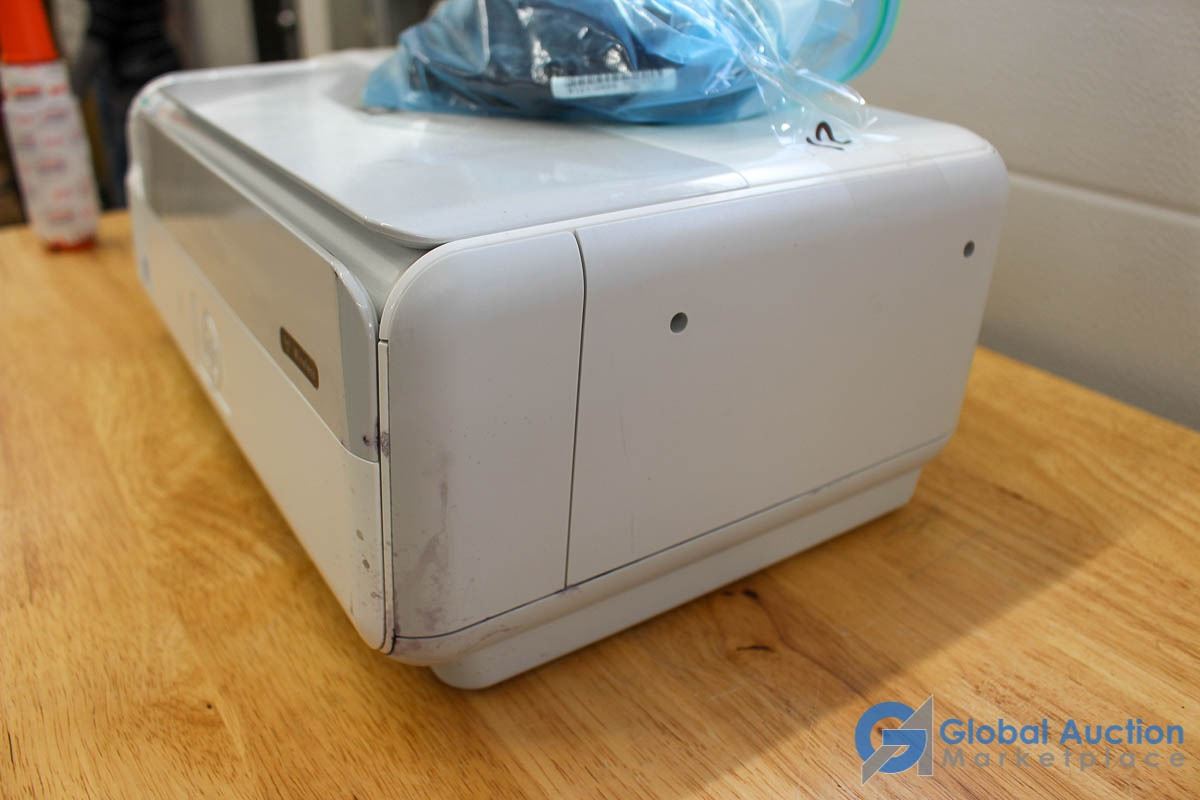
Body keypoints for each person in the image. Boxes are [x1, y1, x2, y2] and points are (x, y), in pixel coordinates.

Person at [69, 0, 180, 207]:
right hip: (158, 70)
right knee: (154, 167)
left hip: (133, 82)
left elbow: (100, 32)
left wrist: (72, 93)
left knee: (132, 168)